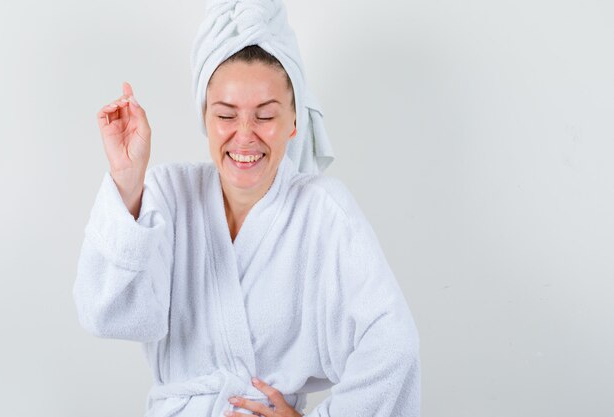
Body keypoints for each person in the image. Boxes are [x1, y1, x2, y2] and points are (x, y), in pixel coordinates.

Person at [72, 1, 420, 417]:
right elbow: (105, 314)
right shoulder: (167, 192)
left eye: (265, 116)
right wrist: (128, 181)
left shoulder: (324, 210)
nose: (244, 136)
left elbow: (393, 345)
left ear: (294, 120)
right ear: (205, 117)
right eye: (226, 115)